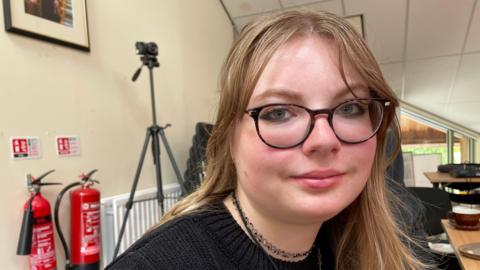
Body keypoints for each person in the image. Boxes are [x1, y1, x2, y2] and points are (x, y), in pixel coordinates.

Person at [106, 10, 433, 270]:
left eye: (350, 107)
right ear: (229, 139)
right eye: (278, 112)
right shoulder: (157, 263)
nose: (323, 139)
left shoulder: (356, 243)